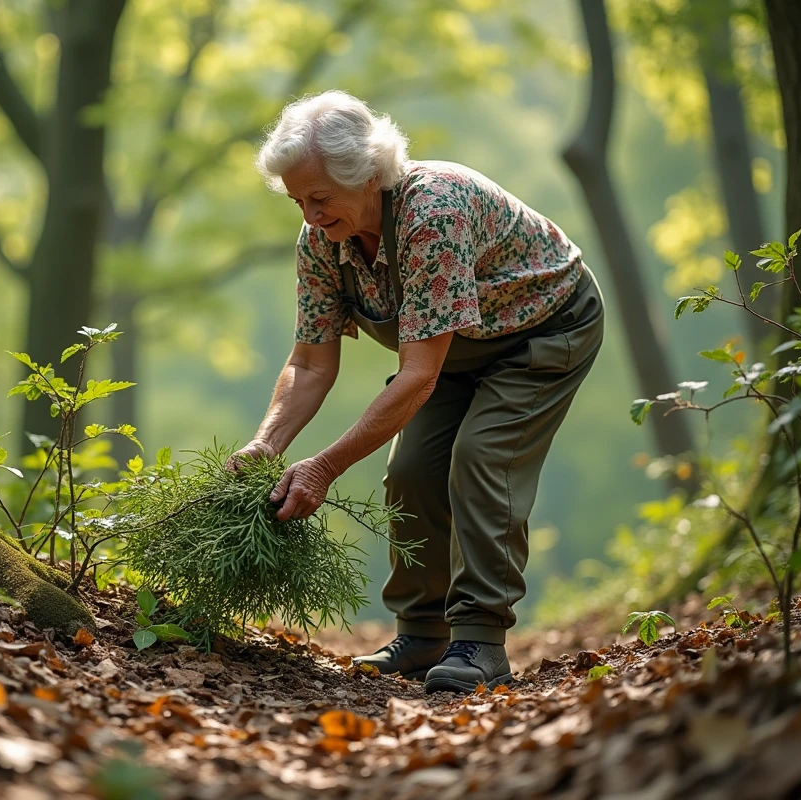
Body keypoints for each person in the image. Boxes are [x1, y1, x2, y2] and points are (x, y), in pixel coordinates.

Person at [227, 90, 605, 694]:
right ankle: (424, 633)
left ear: (367, 174)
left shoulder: (432, 213)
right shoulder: (322, 241)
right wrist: (265, 444)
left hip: (543, 330)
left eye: (319, 197)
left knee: (482, 457)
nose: (309, 215)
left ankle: (480, 641)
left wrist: (323, 467)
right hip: (453, 349)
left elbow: (418, 375)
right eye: (298, 201)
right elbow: (310, 363)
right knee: (410, 472)